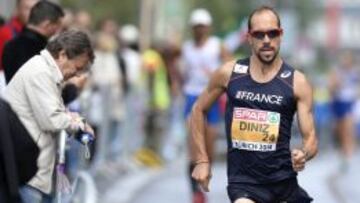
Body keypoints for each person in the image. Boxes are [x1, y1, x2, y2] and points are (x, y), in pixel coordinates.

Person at [190, 6, 318, 203]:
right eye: (259, 34)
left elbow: (311, 140)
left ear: (281, 35)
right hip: (244, 185)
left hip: (284, 185)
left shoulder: (297, 82)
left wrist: (304, 154)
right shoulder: (229, 73)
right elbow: (198, 110)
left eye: (272, 33)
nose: (266, 40)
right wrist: (201, 160)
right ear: (249, 37)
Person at [3, 30, 95, 202]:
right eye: (78, 67)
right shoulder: (41, 73)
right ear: (62, 55)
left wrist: (72, 118)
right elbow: (52, 119)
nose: (78, 75)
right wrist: (79, 124)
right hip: (28, 174)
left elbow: (53, 112)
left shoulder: (47, 73)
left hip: (31, 171)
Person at [182, 8, 230, 203]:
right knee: (194, 148)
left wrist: (218, 76)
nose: (199, 30)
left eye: (202, 26)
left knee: (208, 149)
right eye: (196, 27)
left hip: (211, 97)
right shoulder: (186, 47)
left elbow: (229, 67)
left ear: (208, 28)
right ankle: (195, 192)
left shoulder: (217, 46)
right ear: (192, 28)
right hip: (192, 97)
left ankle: (202, 186)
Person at [2, 0, 64, 83]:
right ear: (47, 24)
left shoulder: (10, 45)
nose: (58, 30)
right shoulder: (42, 51)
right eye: (57, 25)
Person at [328, 51, 359, 170]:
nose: (345, 61)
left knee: (348, 129)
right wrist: (335, 85)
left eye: (347, 59)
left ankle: (348, 153)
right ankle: (343, 152)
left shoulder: (355, 72)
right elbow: (331, 87)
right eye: (343, 59)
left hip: (349, 103)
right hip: (338, 103)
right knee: (340, 130)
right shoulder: (336, 72)